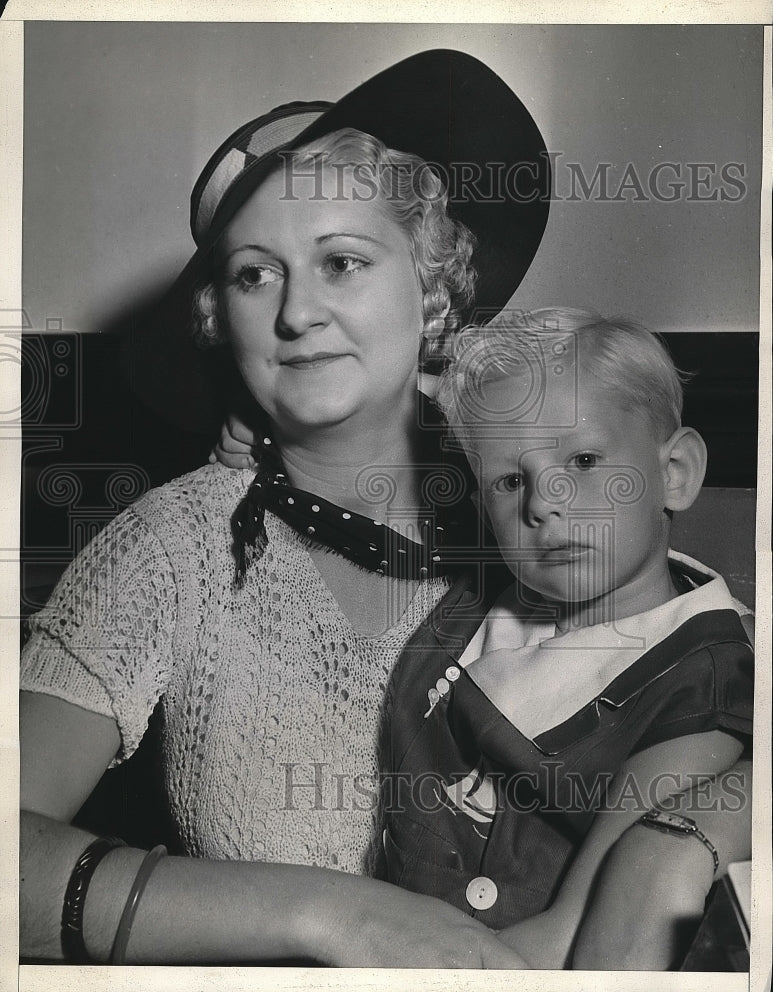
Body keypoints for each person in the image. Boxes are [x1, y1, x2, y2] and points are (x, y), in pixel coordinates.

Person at [19, 49, 751, 969]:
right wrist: (329, 917)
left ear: (433, 281)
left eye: (342, 261)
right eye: (254, 275)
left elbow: (714, 691)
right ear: (219, 319)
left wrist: (662, 850)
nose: (298, 315)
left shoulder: (545, 489)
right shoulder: (176, 544)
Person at [381, 308, 753, 968]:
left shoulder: (702, 681)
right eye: (508, 480)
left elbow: (573, 933)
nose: (542, 502)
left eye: (582, 459)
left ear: (675, 473)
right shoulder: (474, 606)